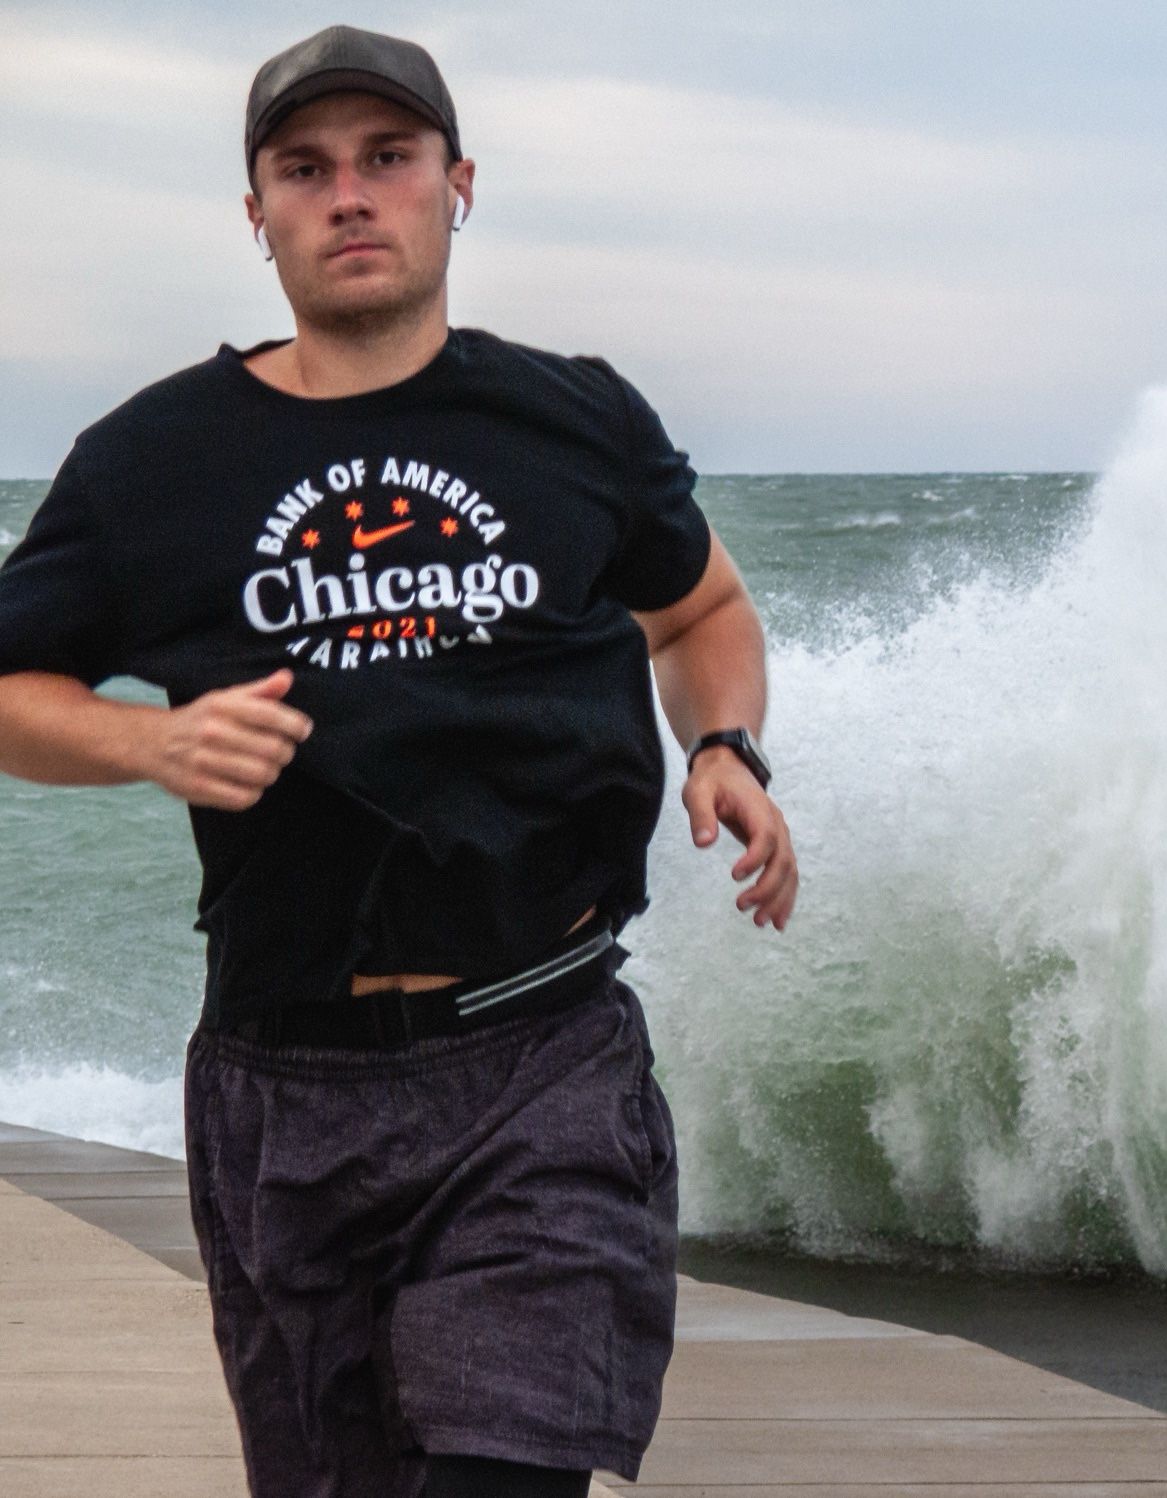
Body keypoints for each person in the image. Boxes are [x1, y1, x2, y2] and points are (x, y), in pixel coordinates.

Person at [0, 23, 797, 1498]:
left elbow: (701, 608)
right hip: (284, 1087)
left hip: (543, 1059)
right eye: (304, 170)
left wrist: (727, 743)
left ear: (457, 184)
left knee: (505, 1468)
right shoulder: (150, 465)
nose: (349, 195)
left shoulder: (573, 422)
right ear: (258, 216)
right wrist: (144, 739)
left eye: (387, 159)